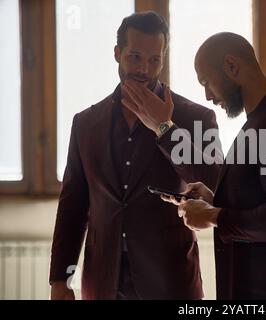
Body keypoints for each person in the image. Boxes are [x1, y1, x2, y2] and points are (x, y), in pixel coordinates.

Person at [49, 11, 221, 300]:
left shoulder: (196, 117)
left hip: (171, 284)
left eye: (154, 59)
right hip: (103, 283)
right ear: (118, 53)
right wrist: (60, 280)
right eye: (135, 57)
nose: (144, 69)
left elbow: (214, 181)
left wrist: (165, 129)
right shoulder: (85, 123)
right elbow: (73, 206)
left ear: (163, 59)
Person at [164, 32, 266, 299]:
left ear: (231, 65)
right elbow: (265, 204)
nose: (206, 95)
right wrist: (216, 201)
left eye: (206, 82)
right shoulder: (263, 124)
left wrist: (213, 216)